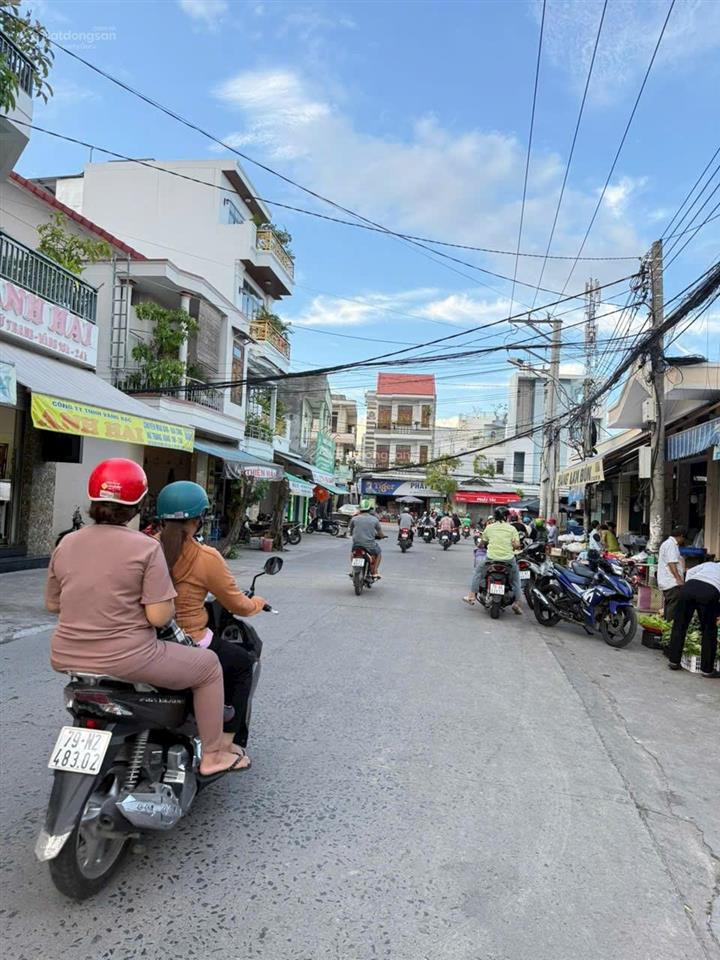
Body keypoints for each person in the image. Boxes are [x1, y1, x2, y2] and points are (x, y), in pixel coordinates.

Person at [45, 459, 243, 778]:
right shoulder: (146, 547)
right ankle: (215, 753)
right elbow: (159, 615)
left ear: (94, 500)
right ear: (138, 505)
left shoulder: (67, 542)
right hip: (128, 658)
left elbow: (53, 604)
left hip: (67, 656)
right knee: (208, 667)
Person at [156, 481, 267, 757]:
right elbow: (237, 604)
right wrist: (257, 603)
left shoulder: (145, 549)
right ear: (199, 520)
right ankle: (229, 742)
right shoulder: (206, 557)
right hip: (190, 640)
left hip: (147, 641)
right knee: (243, 665)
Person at [462, 506, 522, 613]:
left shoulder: (489, 528)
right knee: (516, 579)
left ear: (495, 516)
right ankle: (517, 604)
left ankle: (471, 596)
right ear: (506, 517)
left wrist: (480, 545)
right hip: (508, 560)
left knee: (478, 572)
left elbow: (482, 543)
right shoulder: (512, 529)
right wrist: (514, 546)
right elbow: (517, 545)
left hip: (491, 559)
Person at [666, 561, 720, 677]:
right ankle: (707, 669)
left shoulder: (709, 564)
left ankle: (674, 661)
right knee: (708, 631)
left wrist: (688, 587)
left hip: (688, 588)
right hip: (709, 592)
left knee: (679, 625)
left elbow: (689, 571)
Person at [657, 526, 687, 622]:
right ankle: (669, 628)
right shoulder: (671, 545)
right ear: (681, 536)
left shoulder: (669, 544)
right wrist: (678, 578)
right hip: (671, 581)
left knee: (669, 605)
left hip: (668, 581)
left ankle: (666, 626)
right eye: (684, 538)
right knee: (673, 606)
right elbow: (671, 563)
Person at [349, 499, 385, 577]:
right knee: (379, 553)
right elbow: (381, 534)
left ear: (360, 509)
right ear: (369, 509)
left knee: (353, 553)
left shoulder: (354, 519)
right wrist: (382, 536)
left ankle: (353, 570)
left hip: (357, 544)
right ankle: (374, 571)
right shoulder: (375, 520)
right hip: (370, 546)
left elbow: (351, 532)